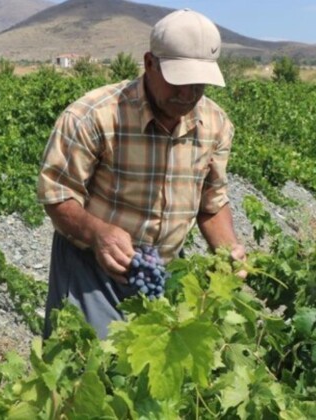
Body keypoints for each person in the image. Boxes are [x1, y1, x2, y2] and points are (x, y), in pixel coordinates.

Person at [38, 9, 246, 339]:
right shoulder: (93, 116)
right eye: (179, 80)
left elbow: (212, 202)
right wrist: (97, 233)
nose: (188, 94)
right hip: (89, 268)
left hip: (159, 271)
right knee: (89, 371)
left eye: (199, 84)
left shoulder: (216, 125)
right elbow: (57, 195)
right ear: (149, 63)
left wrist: (229, 249)